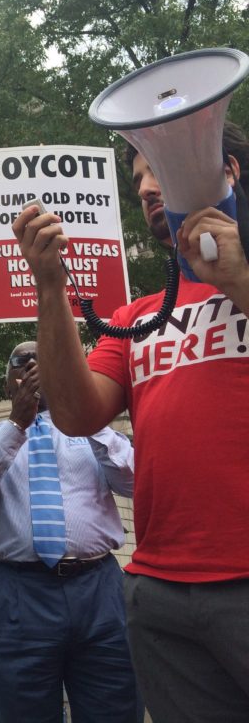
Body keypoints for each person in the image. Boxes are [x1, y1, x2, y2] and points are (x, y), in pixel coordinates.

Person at [13, 123, 249, 722]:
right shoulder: (139, 314)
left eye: (158, 167)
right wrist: (49, 287)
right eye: (137, 175)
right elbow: (73, 412)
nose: (144, 186)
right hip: (161, 592)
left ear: (229, 171)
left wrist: (237, 278)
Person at [0, 342, 139, 722]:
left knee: (114, 706)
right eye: (22, 362)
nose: (36, 367)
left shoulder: (95, 433)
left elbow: (135, 480)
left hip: (98, 588)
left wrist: (82, 412)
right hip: (20, 591)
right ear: (8, 384)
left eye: (48, 360)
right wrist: (17, 425)